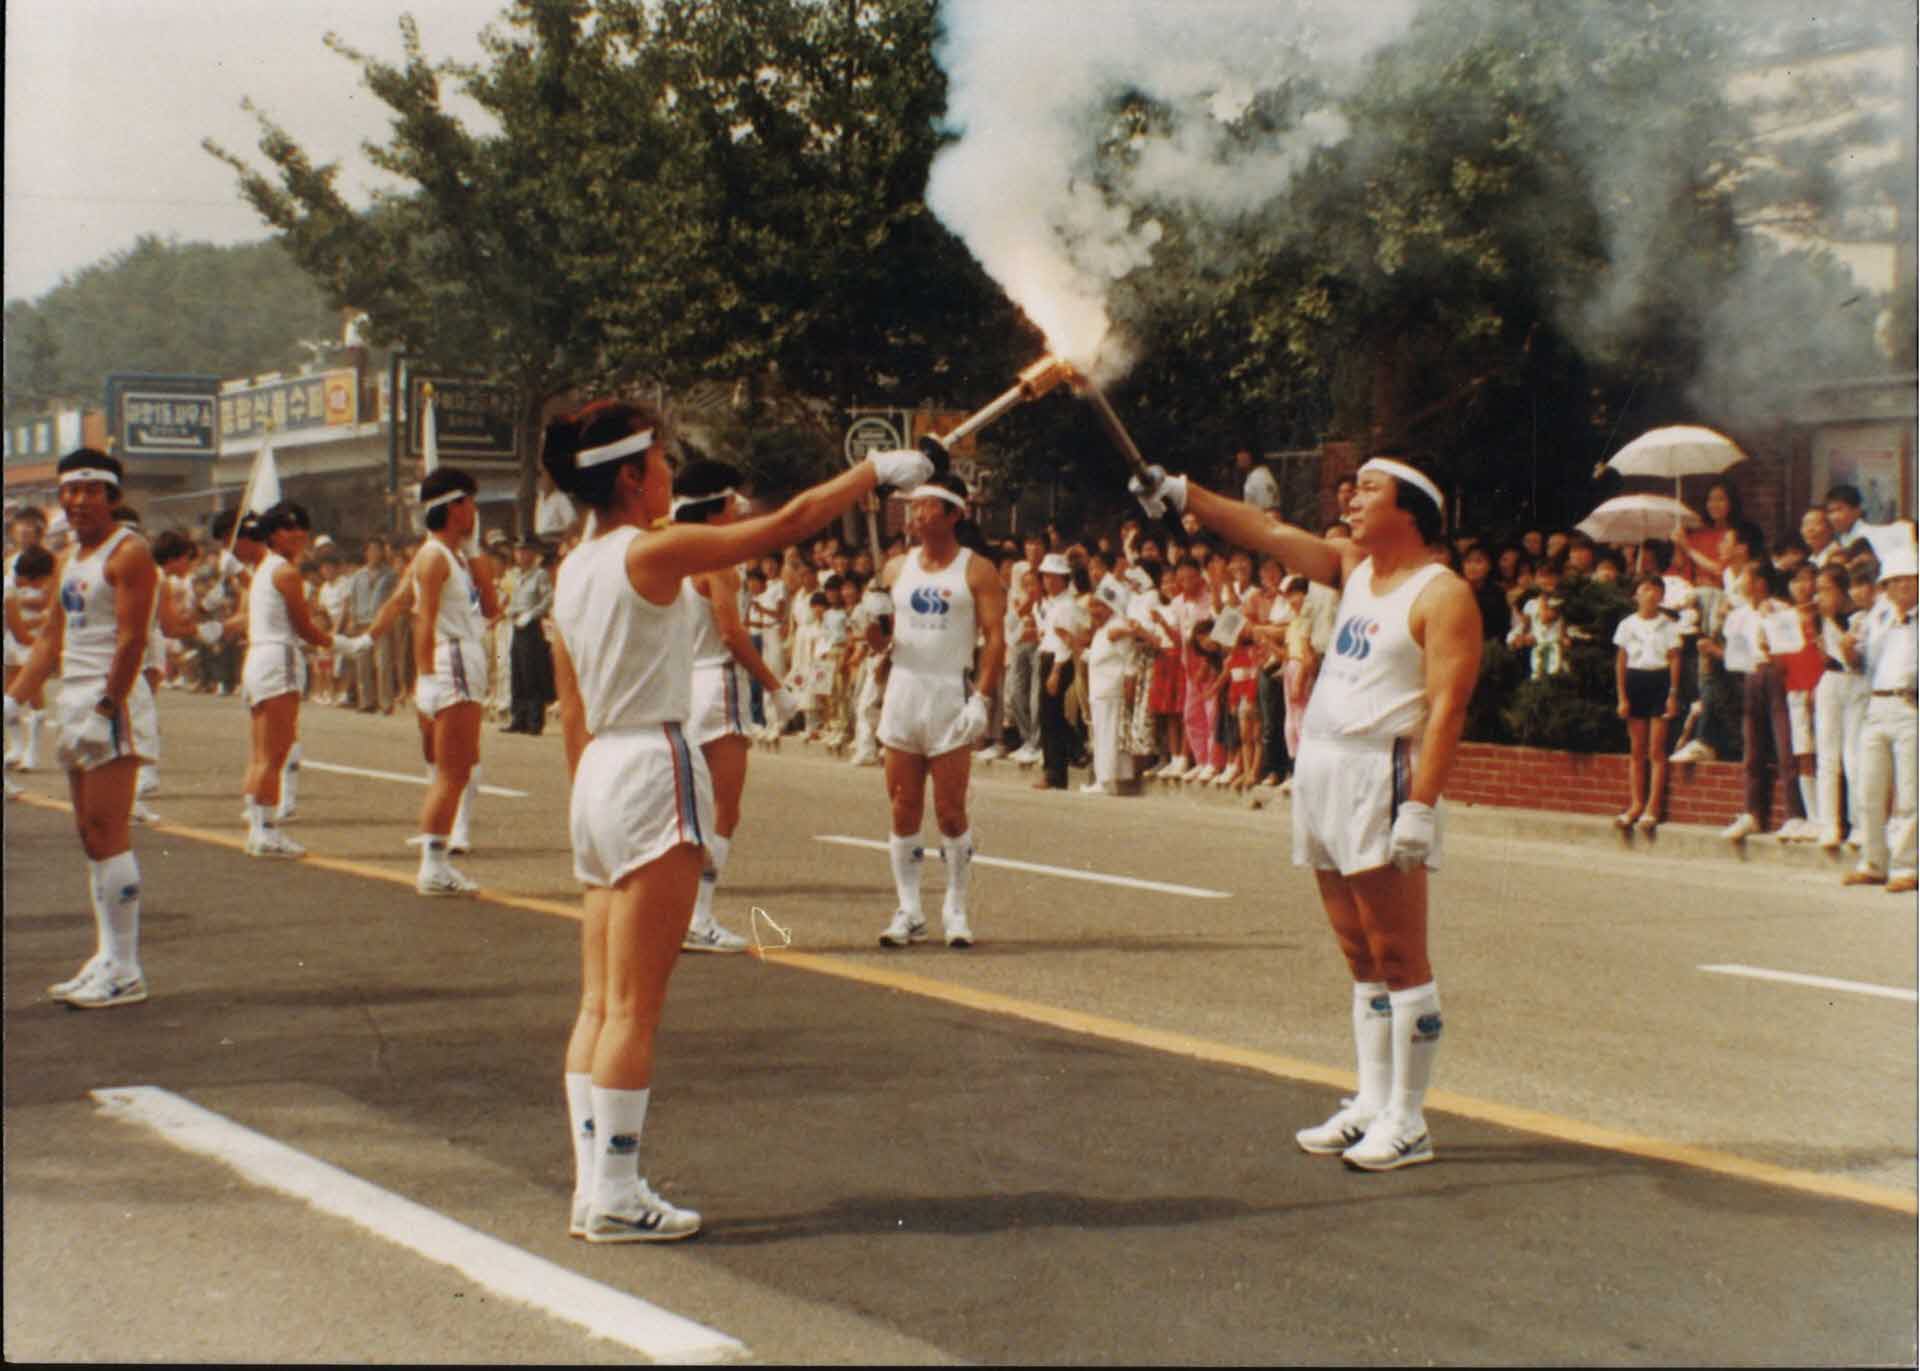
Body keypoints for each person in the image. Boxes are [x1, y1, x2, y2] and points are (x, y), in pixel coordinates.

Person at [543, 398, 930, 1242]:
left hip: (599, 772)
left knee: (598, 1001)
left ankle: (595, 1186)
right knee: (635, 1009)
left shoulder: (572, 567)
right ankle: (614, 1194)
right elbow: (787, 522)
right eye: (662, 466)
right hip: (651, 762)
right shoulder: (653, 551)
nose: (672, 480)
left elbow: (569, 703)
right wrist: (875, 471)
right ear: (632, 476)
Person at [1133, 453, 1480, 1171]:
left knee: (1400, 955)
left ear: (1411, 509)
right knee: (1359, 955)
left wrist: (1421, 804)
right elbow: (1262, 529)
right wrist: (1180, 489)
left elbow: (1448, 708)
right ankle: (1371, 1100)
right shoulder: (1351, 568)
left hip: (1381, 773)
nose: (1351, 500)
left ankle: (1410, 1119)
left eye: (1370, 491)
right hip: (1323, 765)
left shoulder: (1442, 594)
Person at [5, 450, 161, 1008]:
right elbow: (50, 639)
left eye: (92, 489)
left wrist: (104, 709)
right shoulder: (70, 556)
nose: (79, 500)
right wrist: (13, 702)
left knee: (108, 828)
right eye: (70, 490)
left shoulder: (131, 552)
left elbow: (131, 641)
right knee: (90, 835)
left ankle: (126, 967)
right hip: (75, 699)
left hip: (108, 701)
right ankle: (108, 955)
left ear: (114, 496)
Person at [871, 473, 1007, 948]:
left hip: (948, 694)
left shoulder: (977, 571)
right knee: (902, 805)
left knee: (950, 811)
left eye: (926, 506)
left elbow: (995, 642)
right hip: (904, 692)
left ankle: (955, 908)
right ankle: (909, 910)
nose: (916, 513)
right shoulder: (894, 569)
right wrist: (873, 633)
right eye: (913, 506)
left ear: (953, 514)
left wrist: (982, 699)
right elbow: (881, 637)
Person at [672, 459, 800, 954]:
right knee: (723, 809)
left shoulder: (672, 554)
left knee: (689, 807)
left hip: (681, 685)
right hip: (715, 683)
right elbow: (731, 633)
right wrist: (774, 686)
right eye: (734, 502)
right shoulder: (716, 562)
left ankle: (681, 912)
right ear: (719, 505)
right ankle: (698, 916)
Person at [365, 468, 501, 893]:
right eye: (470, 503)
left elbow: (492, 604)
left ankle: (437, 859)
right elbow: (422, 618)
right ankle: (434, 866)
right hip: (452, 658)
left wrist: (475, 547)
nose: (475, 512)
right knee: (452, 769)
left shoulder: (454, 556)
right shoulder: (432, 557)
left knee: (458, 766)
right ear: (454, 507)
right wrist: (424, 677)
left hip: (464, 656)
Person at [238, 502, 369, 857]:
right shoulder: (285, 573)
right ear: (271, 534)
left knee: (261, 751)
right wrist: (347, 645)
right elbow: (307, 629)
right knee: (275, 752)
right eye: (286, 528)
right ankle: (266, 832)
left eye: (301, 528)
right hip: (277, 659)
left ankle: (257, 826)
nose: (297, 535)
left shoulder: (264, 569)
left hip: (259, 658)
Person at [1840, 547, 1918, 893]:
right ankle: (1873, 862)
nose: (1901, 587)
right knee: (1868, 787)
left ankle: (1907, 865)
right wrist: (1847, 651)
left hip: (1910, 705)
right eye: (1893, 582)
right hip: (1877, 705)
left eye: (1908, 580)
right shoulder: (1878, 618)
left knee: (1910, 793)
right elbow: (1863, 662)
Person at [1612, 574, 1682, 831]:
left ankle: (1653, 808)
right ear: (1636, 595)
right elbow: (1621, 660)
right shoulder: (1627, 625)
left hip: (1659, 681)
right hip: (1635, 681)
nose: (1650, 594)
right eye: (1644, 589)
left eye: (1655, 589)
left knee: (1656, 751)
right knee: (1637, 750)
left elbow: (1675, 659)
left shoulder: (1669, 625)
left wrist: (1673, 693)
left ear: (1661, 596)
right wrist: (1622, 696)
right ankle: (1636, 804)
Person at [1812, 565, 1869, 850]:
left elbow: (1855, 660)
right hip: (1830, 681)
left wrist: (1833, 628)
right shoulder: (1819, 617)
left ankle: (1859, 824)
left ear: (1842, 590)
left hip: (1855, 682)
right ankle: (1829, 823)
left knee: (1853, 755)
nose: (1820, 596)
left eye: (1826, 589)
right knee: (1827, 755)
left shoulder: (1858, 617)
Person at [1031, 551, 1086, 794]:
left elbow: (1065, 641)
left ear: (1064, 579)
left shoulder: (1067, 605)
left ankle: (1057, 767)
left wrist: (1055, 671)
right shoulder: (1049, 604)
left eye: (1055, 577)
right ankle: (1062, 764)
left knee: (1050, 715)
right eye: (1046, 577)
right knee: (1048, 715)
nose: (1049, 582)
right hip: (1046, 655)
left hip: (1058, 661)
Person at [1081, 577, 1140, 795]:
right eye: (1093, 605)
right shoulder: (1103, 629)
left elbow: (1128, 660)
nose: (1093, 610)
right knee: (1104, 734)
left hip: (1111, 690)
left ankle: (1105, 780)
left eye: (1098, 606)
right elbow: (1097, 657)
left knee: (1108, 735)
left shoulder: (1118, 627)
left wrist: (1128, 686)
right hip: (1100, 690)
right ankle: (1110, 779)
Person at [505, 539, 557, 735]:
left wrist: (531, 614)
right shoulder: (516, 575)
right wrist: (511, 611)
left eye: (525, 551)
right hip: (517, 624)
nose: (521, 555)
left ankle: (535, 721)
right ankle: (519, 718)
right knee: (517, 671)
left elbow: (548, 598)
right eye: (518, 551)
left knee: (532, 673)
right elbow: (511, 599)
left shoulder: (540, 575)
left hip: (531, 626)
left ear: (533, 553)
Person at [1825, 483, 1918, 568]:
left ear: (1857, 510)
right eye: (1830, 511)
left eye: (1839, 509)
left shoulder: (1874, 536)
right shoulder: (1839, 542)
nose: (1834, 517)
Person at [1236, 448, 1279, 513]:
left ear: (1250, 456)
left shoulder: (1261, 477)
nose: (1238, 456)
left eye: (1243, 452)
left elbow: (1271, 511)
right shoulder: (1254, 475)